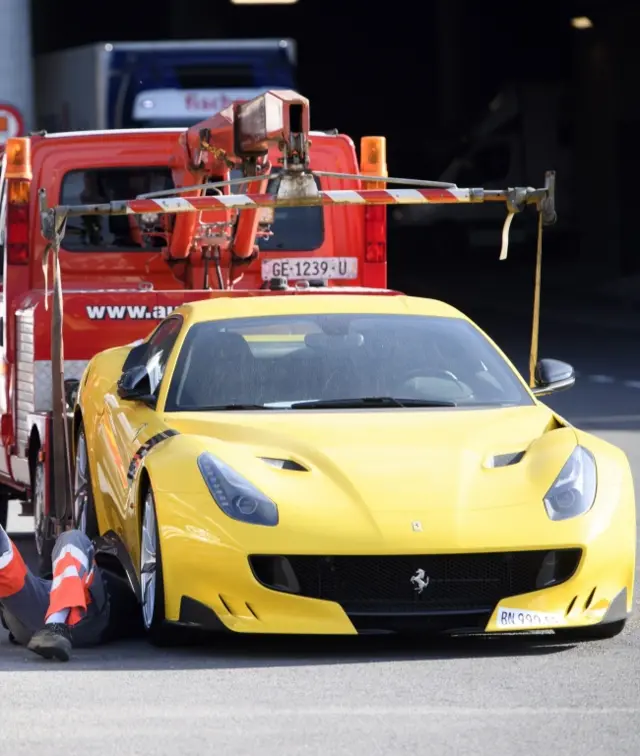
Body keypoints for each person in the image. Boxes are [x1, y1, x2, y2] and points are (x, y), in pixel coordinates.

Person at [0, 523, 137, 661]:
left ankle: (55, 626)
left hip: (54, 616)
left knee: (73, 537)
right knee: (73, 538)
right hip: (42, 617)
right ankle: (54, 626)